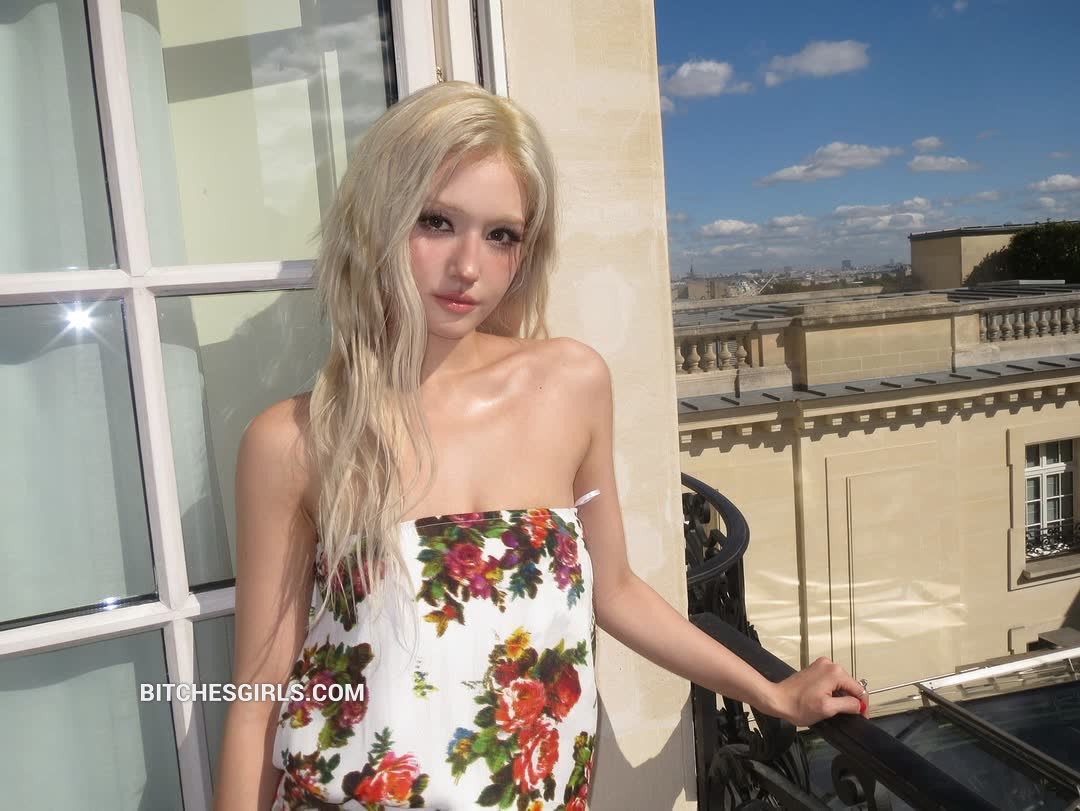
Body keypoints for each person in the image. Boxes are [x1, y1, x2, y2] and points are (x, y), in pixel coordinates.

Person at [212, 80, 869, 811]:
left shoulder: (569, 385)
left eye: (501, 235)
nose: (468, 266)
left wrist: (770, 692)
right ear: (376, 224)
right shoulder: (293, 442)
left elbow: (616, 590)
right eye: (436, 221)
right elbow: (258, 696)